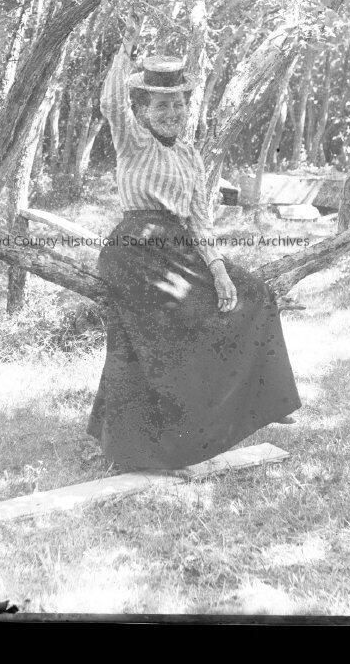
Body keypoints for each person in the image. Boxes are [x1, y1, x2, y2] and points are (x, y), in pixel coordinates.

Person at [86, 50, 301, 471]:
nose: (172, 113)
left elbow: (200, 219)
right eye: (161, 105)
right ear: (143, 111)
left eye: (178, 104)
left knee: (255, 294)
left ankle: (263, 402)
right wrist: (126, 45)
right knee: (166, 334)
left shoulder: (190, 156)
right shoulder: (133, 140)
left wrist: (218, 270)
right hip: (135, 251)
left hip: (178, 247)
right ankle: (148, 445)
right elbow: (111, 102)